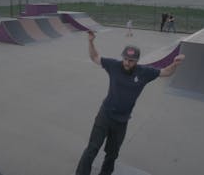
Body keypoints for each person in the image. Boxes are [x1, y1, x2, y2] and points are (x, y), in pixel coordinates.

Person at [76, 30, 185, 175]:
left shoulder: (144, 72)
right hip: (105, 115)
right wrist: (90, 41)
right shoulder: (114, 65)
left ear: (137, 61)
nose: (127, 62)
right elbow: (95, 57)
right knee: (92, 148)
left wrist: (175, 64)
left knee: (112, 154)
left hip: (122, 121)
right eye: (126, 59)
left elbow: (165, 72)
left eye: (131, 60)